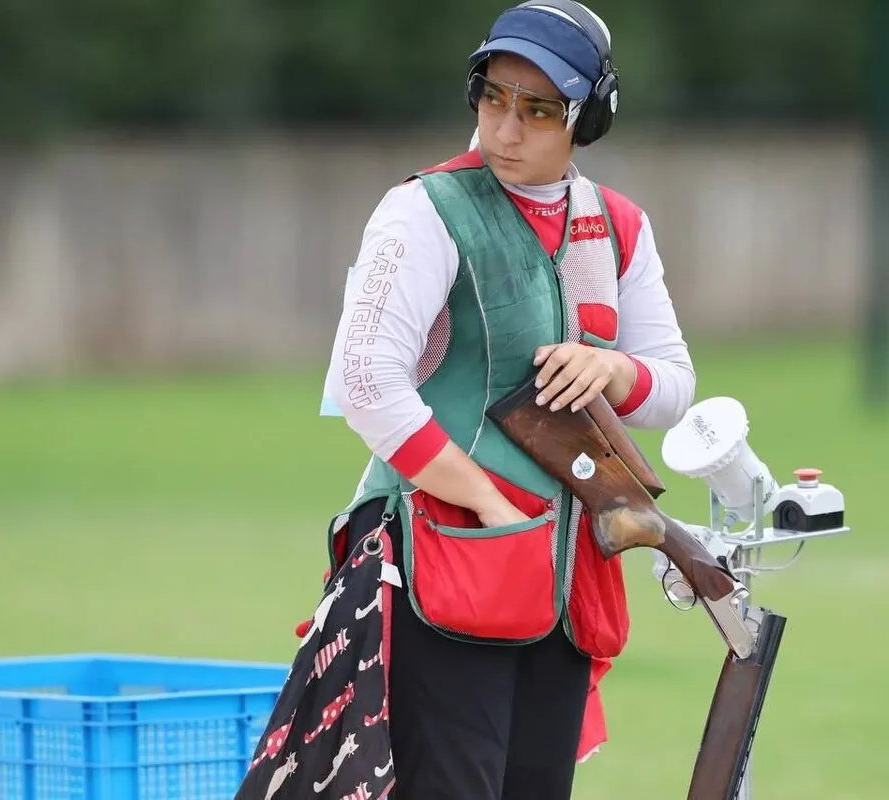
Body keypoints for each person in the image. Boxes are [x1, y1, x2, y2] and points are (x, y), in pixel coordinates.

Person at [314, 2, 695, 798]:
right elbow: (364, 382)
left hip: (560, 583)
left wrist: (611, 372)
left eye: (539, 110)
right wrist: (487, 504)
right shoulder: (424, 210)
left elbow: (672, 385)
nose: (505, 128)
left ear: (587, 119)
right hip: (440, 564)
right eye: (493, 97)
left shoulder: (620, 225)